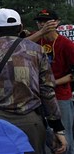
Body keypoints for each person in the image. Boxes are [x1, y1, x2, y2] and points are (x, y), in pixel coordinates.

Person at [0, 8, 67, 153]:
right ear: (21, 27)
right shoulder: (37, 49)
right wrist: (57, 128)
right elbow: (47, 90)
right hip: (30, 121)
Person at [28, 9, 74, 154]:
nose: (42, 24)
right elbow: (16, 46)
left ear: (57, 22)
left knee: (64, 136)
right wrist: (39, 34)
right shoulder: (35, 40)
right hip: (36, 96)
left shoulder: (66, 44)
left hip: (60, 96)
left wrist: (53, 82)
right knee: (46, 134)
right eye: (39, 21)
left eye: (46, 21)